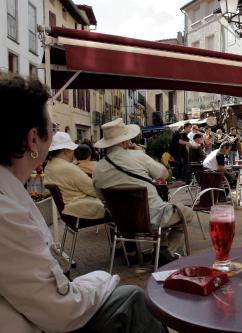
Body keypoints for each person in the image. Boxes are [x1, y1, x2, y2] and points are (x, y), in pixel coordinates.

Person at [0, 74, 165, 333]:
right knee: (132, 299)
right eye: (52, 127)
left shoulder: (16, 190)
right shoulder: (7, 212)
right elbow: (61, 311)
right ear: (33, 139)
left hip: (81, 217)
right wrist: (102, 278)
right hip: (42, 317)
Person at [93, 118, 193, 262]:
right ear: (124, 141)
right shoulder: (137, 155)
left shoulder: (97, 169)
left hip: (122, 223)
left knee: (163, 210)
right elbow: (164, 175)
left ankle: (161, 250)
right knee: (186, 213)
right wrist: (142, 154)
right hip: (152, 217)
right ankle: (164, 252)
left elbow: (102, 198)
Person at [44, 132, 106, 220]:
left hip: (68, 211)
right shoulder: (68, 168)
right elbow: (93, 189)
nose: (73, 152)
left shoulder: (48, 166)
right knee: (116, 206)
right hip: (78, 210)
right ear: (65, 151)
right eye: (72, 149)